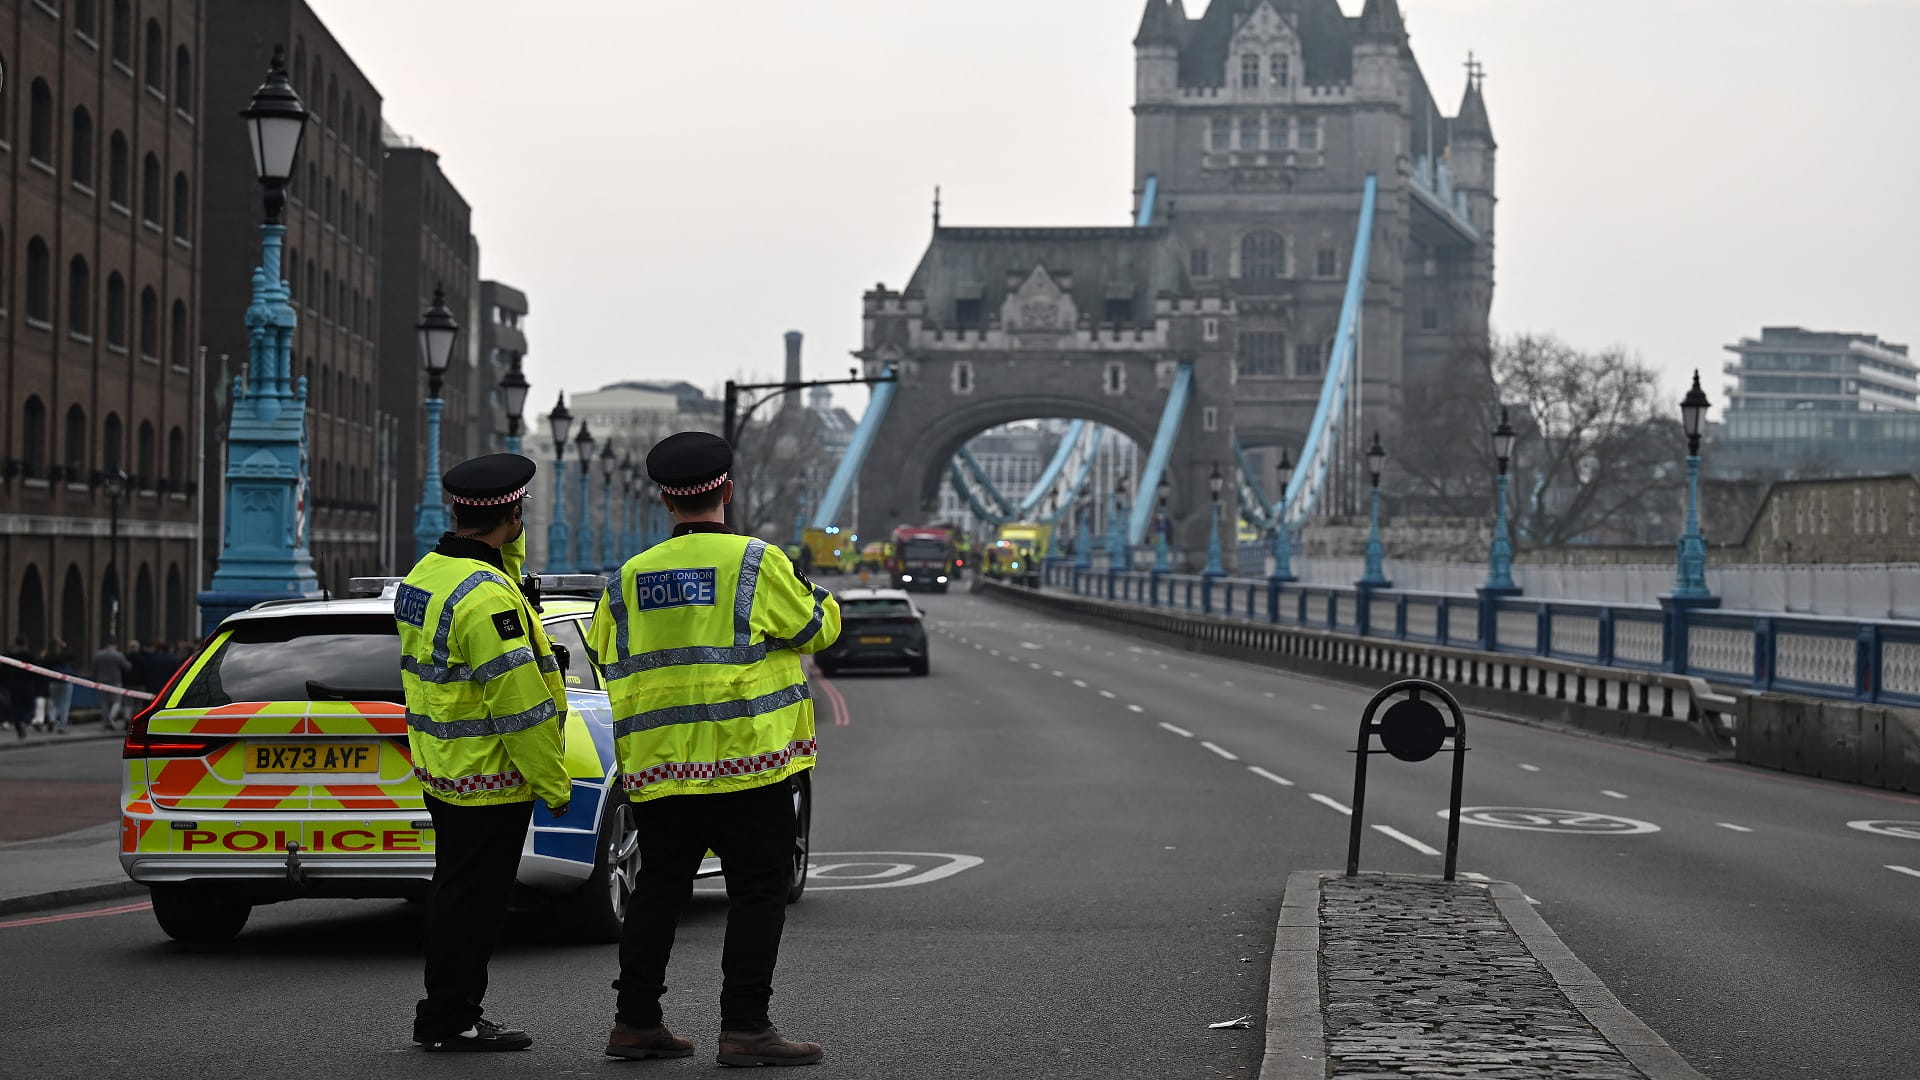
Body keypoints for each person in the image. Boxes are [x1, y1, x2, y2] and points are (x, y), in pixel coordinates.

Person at [587, 431, 840, 1067]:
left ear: (665, 500)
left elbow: (602, 650)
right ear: (727, 490)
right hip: (747, 761)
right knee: (757, 892)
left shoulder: (627, 577)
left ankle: (636, 1022)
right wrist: (815, 593)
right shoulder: (757, 563)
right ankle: (746, 1029)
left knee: (658, 891)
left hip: (661, 762)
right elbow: (818, 631)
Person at [396, 452, 574, 1053]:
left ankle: (447, 1012)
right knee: (473, 902)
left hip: (442, 765)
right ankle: (450, 1017)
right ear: (513, 511)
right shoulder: (487, 599)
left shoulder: (426, 574)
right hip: (489, 775)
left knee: (454, 889)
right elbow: (518, 705)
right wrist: (553, 783)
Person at [92, 641, 133, 731]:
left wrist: (95, 680)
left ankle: (105, 722)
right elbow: (127, 667)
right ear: (115, 646)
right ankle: (112, 717)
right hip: (115, 681)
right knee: (116, 701)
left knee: (104, 703)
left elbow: (94, 669)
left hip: (102, 681)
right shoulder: (118, 655)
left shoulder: (98, 655)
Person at [4, 637, 37, 740]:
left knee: (16, 706)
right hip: (27, 684)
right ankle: (25, 721)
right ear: (25, 643)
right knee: (28, 705)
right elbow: (35, 669)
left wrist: (5, 683)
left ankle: (19, 724)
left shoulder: (9, 655)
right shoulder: (29, 655)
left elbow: (4, 670)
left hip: (13, 684)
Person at [40, 640, 76, 735]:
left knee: (55, 703)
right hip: (66, 681)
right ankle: (62, 727)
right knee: (65, 704)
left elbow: (43, 666)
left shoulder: (48, 656)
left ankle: (52, 719)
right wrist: (65, 646)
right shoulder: (64, 654)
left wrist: (42, 657)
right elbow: (73, 655)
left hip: (53, 682)